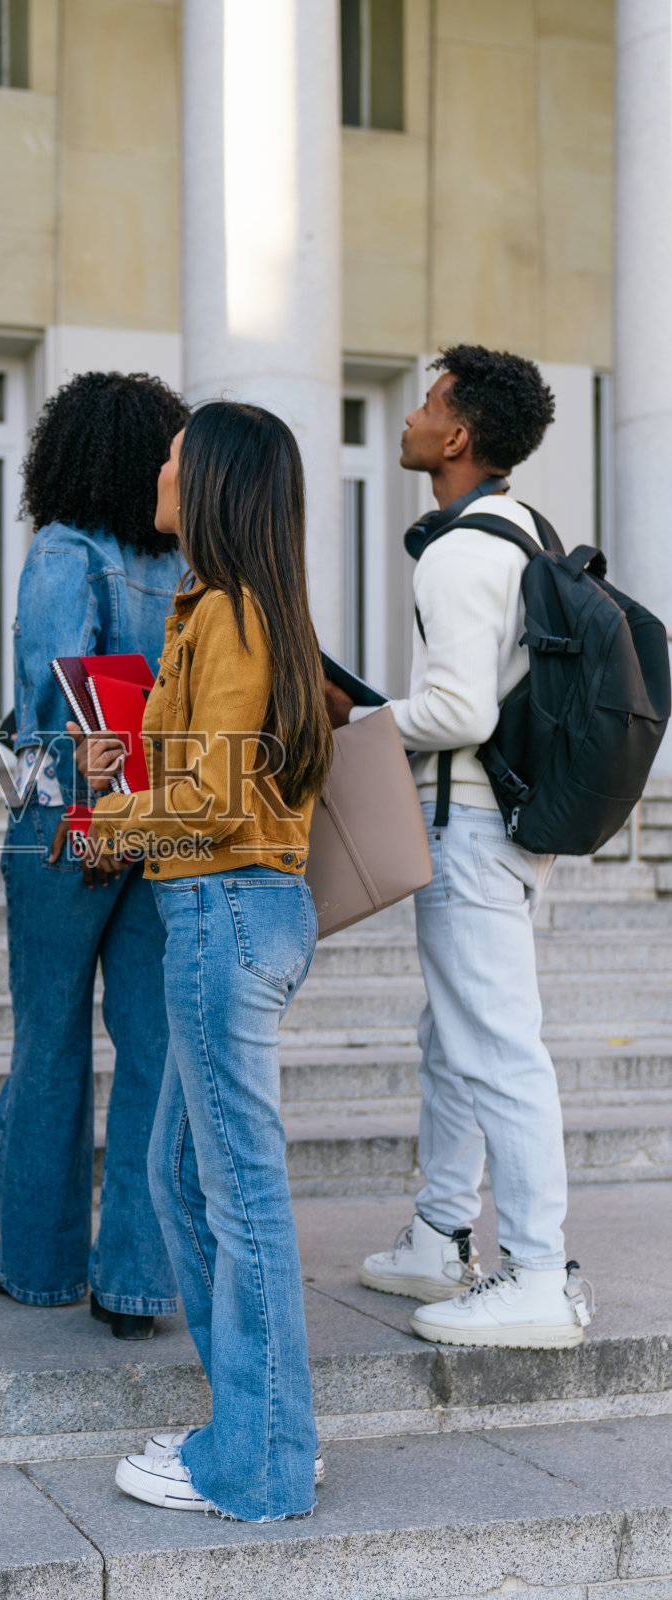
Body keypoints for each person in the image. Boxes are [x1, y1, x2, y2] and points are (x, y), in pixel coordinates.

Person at [76, 401, 332, 1519]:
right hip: (229, 910)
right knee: (180, 1178)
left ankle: (262, 1463)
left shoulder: (228, 610)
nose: (160, 465)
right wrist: (120, 767)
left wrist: (107, 820)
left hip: (220, 914)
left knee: (238, 1199)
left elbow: (214, 795)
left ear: (214, 479)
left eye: (177, 454)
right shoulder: (230, 608)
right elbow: (221, 773)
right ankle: (255, 1420)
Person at [327, 345, 593, 1349]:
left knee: (495, 1048)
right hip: (504, 823)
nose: (409, 415)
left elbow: (455, 708)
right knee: (453, 1039)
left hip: (473, 824)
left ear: (459, 435)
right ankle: (440, 1236)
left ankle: (535, 1272)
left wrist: (351, 722)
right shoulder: (523, 533)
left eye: (427, 402)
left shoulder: (458, 550)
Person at [0, 371, 189, 1340]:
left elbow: (50, 705)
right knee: (152, 1047)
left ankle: (37, 1261)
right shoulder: (191, 565)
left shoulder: (62, 551)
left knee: (50, 1040)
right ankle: (136, 1282)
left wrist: (63, 795)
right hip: (166, 820)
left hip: (68, 824)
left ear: (65, 454)